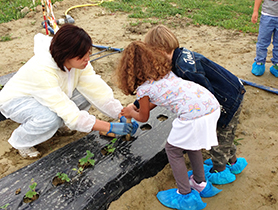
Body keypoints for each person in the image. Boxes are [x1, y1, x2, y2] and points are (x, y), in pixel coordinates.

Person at [0, 24, 137, 159]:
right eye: (81, 56)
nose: (87, 59)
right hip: (17, 100)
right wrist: (109, 127)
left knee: (85, 96)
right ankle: (21, 141)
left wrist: (120, 112)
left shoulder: (79, 63)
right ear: (65, 54)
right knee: (49, 118)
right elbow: (70, 114)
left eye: (88, 53)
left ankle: (59, 126)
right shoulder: (42, 71)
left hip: (49, 96)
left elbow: (97, 90)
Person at [116, 41, 222, 210]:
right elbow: (157, 100)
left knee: (173, 149)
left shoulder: (143, 90)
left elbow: (143, 117)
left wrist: (130, 113)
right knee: (191, 144)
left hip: (193, 115)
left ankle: (185, 194)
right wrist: (135, 107)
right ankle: (200, 182)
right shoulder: (164, 74)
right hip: (210, 105)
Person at [143, 25, 248, 185]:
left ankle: (219, 171)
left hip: (227, 101)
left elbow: (206, 94)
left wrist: (213, 116)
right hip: (231, 92)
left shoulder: (185, 69)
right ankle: (233, 163)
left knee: (219, 140)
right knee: (226, 136)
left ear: (160, 50)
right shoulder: (181, 56)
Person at [251, 0, 278, 77]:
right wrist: (255, 11)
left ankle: (277, 66)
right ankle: (259, 64)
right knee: (262, 42)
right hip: (267, 17)